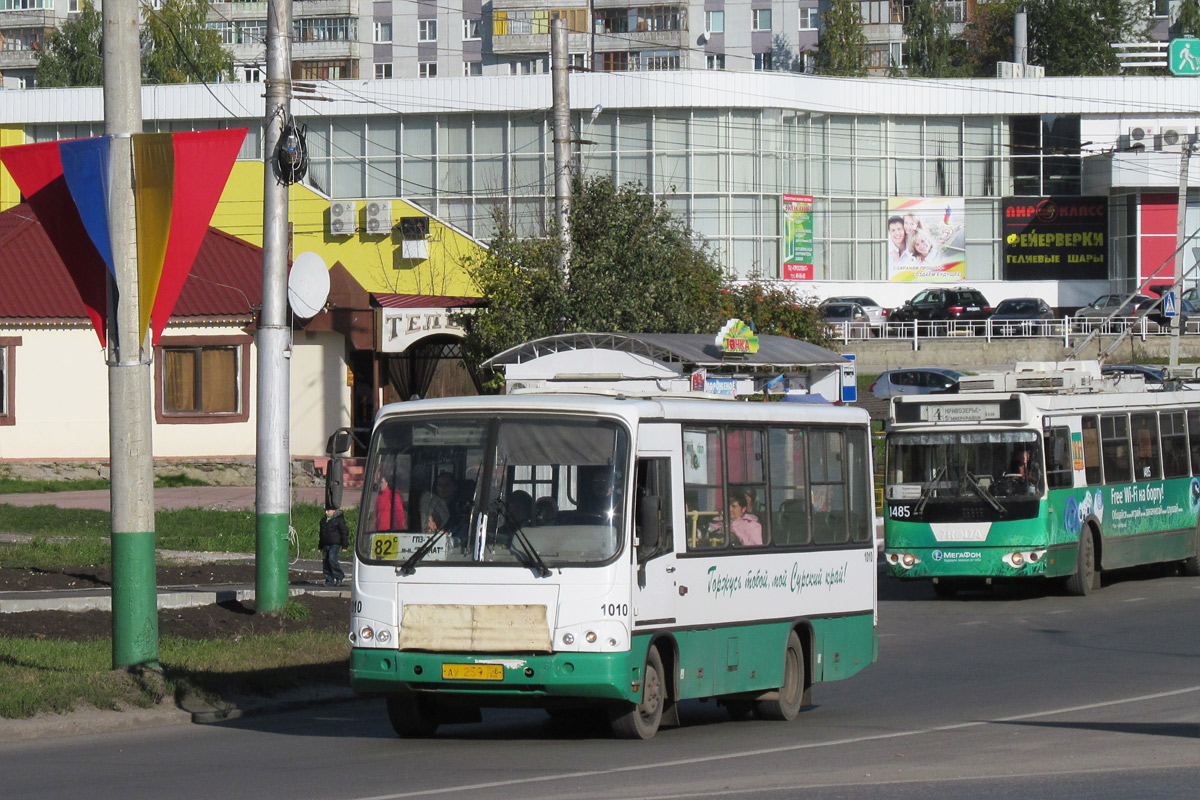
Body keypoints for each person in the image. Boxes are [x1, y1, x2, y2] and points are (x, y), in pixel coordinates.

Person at [319, 501, 350, 586]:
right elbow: (322, 534)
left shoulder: (339, 520)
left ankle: (339, 576)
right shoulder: (323, 521)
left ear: (333, 511)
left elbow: (344, 532)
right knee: (326, 562)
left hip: (335, 543)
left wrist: (344, 545)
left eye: (328, 510)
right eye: (325, 510)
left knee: (332, 559)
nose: (326, 512)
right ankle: (329, 579)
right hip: (326, 543)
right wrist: (320, 546)